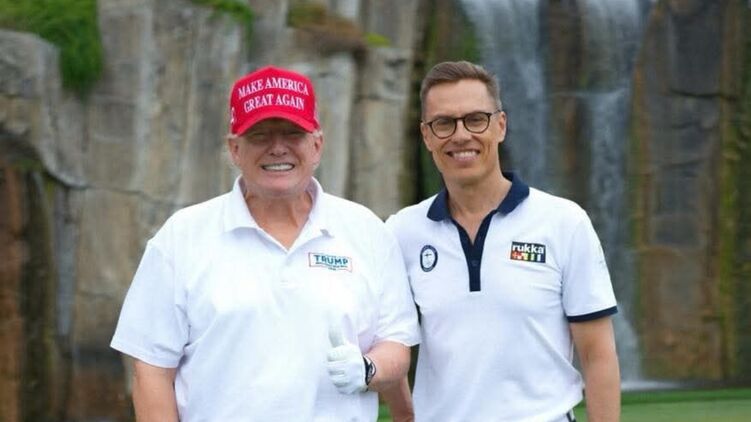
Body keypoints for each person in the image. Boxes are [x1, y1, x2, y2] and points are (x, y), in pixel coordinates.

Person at [110, 65, 420, 421]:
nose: (277, 148)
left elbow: (396, 345)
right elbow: (150, 370)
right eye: (260, 136)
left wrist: (367, 369)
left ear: (317, 146)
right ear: (235, 149)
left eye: (293, 133)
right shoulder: (182, 237)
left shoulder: (366, 230)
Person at [385, 61, 621, 422]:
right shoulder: (402, 231)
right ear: (426, 135)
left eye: (475, 119)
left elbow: (598, 355)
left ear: (501, 125)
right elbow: (388, 340)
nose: (460, 135)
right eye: (444, 123)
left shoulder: (564, 222)